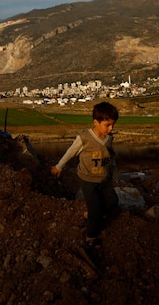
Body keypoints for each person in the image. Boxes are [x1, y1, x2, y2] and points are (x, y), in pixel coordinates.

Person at [51, 101, 120, 245]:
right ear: (96, 122)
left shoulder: (109, 138)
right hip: (88, 180)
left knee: (113, 202)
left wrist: (112, 168)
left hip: (105, 179)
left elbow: (110, 154)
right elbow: (70, 152)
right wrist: (59, 167)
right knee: (95, 210)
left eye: (113, 125)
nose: (111, 128)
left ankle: (93, 214)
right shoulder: (84, 138)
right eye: (107, 125)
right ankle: (91, 236)